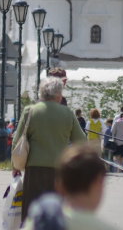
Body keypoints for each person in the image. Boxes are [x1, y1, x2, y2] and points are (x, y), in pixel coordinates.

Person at [11, 77, 88, 222]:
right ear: (59, 95)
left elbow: (17, 140)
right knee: (57, 212)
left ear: (41, 94)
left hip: (34, 170)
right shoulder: (68, 114)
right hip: (60, 171)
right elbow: (81, 142)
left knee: (32, 213)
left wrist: (15, 166)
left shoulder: (30, 111)